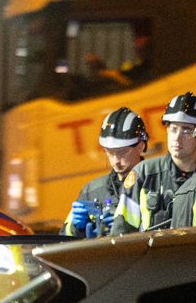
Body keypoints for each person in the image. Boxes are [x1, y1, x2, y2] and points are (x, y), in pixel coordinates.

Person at [112, 92, 196, 234]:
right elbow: (120, 233)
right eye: (173, 129)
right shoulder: (143, 174)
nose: (177, 137)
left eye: (186, 131)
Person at [62, 107, 147, 238]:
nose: (115, 161)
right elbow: (63, 239)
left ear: (140, 147)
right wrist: (77, 228)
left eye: (122, 152)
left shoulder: (156, 185)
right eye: (109, 152)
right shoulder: (91, 191)